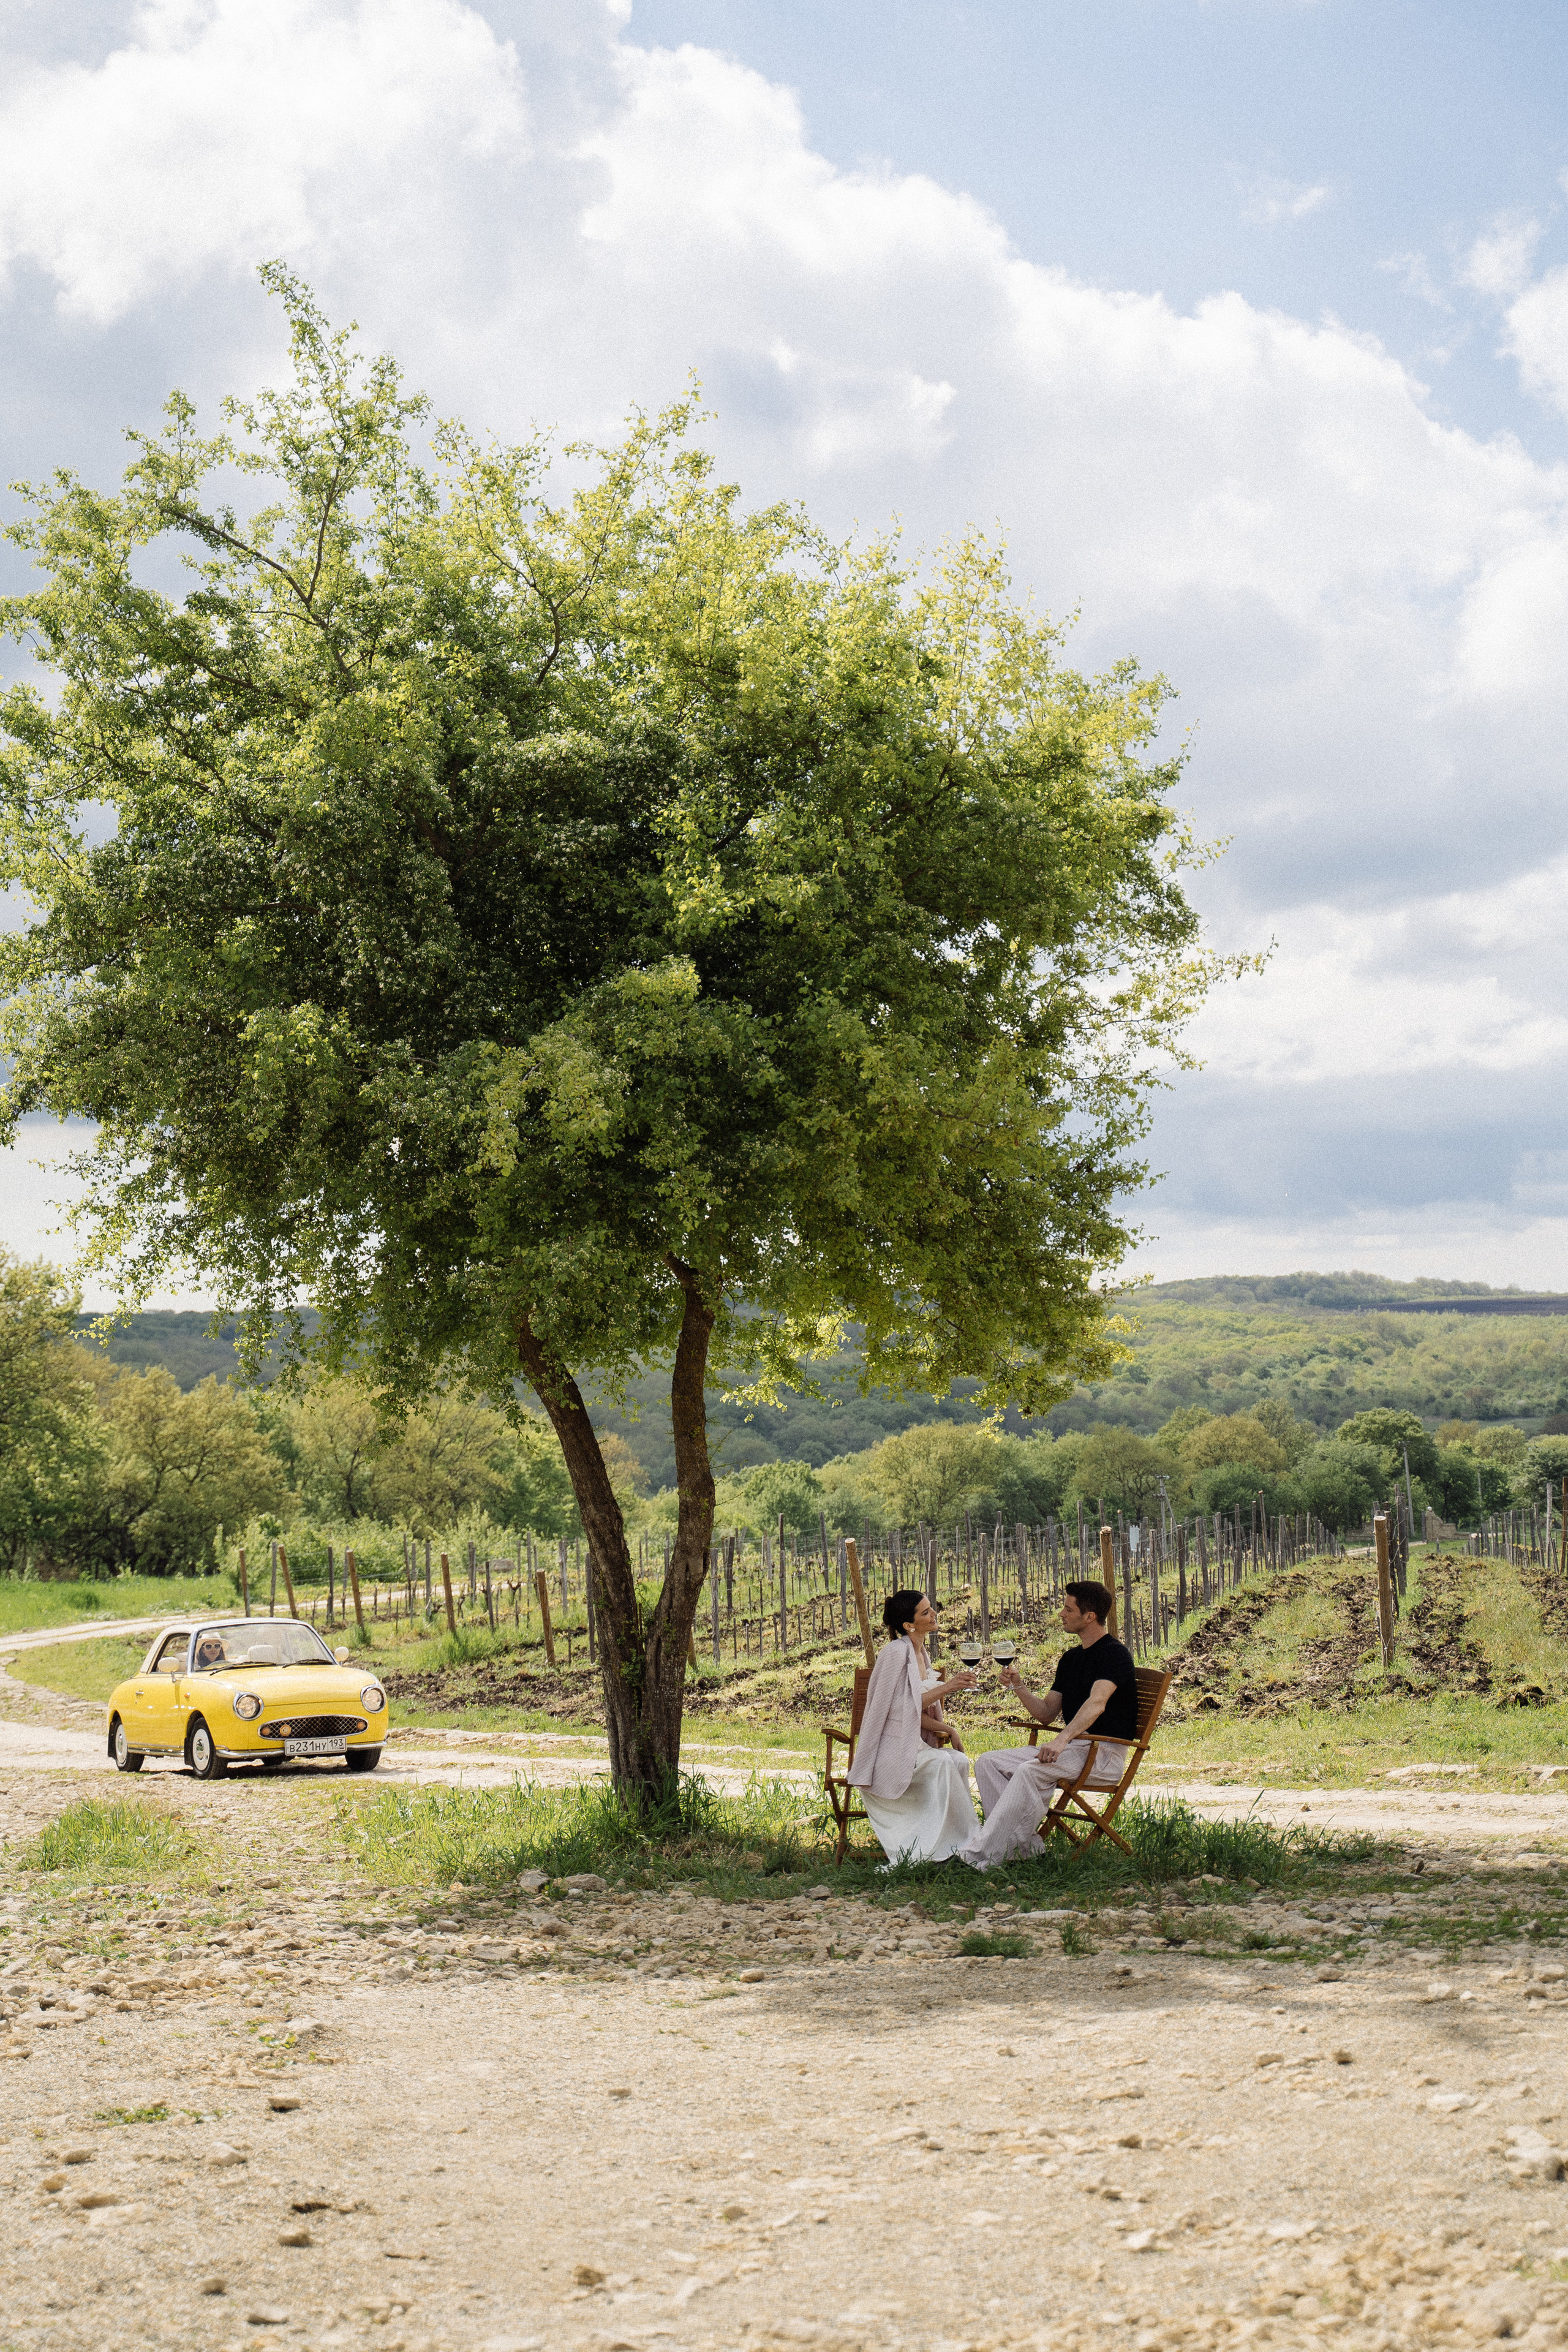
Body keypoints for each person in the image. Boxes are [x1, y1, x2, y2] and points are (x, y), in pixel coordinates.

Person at [959, 1581, 1139, 1871]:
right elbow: (1046, 1714)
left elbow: (1097, 1703)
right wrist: (1019, 1686)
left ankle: (979, 1856)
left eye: (1068, 1609)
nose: (1061, 1614)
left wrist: (1061, 1740)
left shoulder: (1114, 1654)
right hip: (1074, 1749)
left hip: (1102, 1753)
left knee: (1031, 1770)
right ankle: (1022, 1849)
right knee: (988, 1763)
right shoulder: (1071, 1659)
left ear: (1089, 1616)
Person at [846, 1591, 979, 1866]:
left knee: (958, 1760)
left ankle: (961, 1844)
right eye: (926, 1612)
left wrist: (949, 1729)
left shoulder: (920, 1653)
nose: (934, 1615)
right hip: (890, 1749)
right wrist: (948, 1687)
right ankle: (933, 1851)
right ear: (909, 1625)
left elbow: (913, 1712)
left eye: (931, 1609)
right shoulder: (895, 1653)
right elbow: (896, 1710)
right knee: (943, 1763)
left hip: (912, 1744)